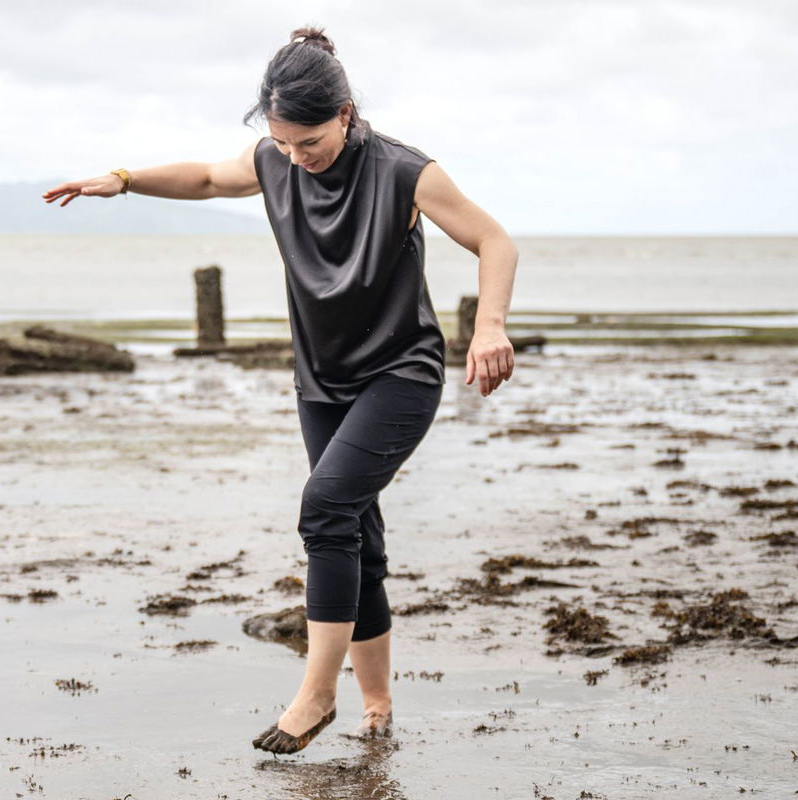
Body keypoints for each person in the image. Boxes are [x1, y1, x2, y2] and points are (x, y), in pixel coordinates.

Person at [42, 25, 518, 755]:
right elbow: (208, 179)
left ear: (346, 114)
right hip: (321, 380)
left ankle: (317, 693)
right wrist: (125, 178)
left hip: (400, 374)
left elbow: (495, 241)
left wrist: (489, 328)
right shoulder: (275, 158)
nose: (297, 157)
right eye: (283, 143)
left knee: (325, 510)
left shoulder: (404, 172)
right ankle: (378, 705)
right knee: (355, 532)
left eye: (311, 143)